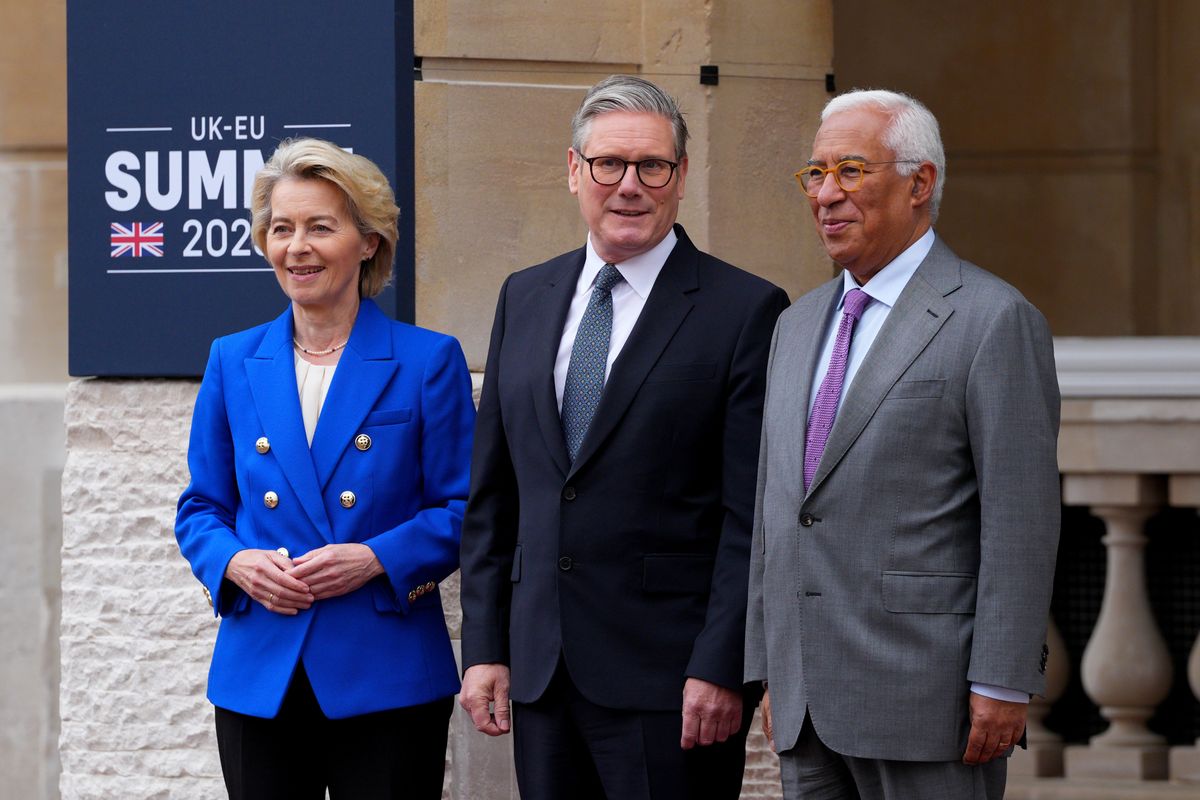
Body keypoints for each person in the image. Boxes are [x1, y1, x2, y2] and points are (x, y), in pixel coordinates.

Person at [457, 75, 790, 799]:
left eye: (652, 166)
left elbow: (753, 515)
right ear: (574, 170)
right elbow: (494, 496)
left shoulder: (745, 310)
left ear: (681, 176)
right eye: (609, 163)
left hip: (673, 684)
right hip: (542, 676)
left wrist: (725, 663)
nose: (629, 185)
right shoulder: (525, 295)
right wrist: (484, 648)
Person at [745, 89, 1061, 799]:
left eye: (851, 171)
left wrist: (1004, 678)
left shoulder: (993, 319)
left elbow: (1021, 519)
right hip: (805, 708)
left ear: (921, 183)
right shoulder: (795, 327)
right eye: (815, 174)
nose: (826, 194)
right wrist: (770, 667)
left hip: (931, 702)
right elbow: (779, 508)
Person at [175, 137, 474, 800]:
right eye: (281, 229)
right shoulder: (232, 360)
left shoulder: (427, 361)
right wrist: (234, 564)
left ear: (368, 242)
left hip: (385, 669)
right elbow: (202, 508)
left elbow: (464, 511)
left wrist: (373, 558)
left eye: (319, 227)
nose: (297, 247)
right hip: (262, 669)